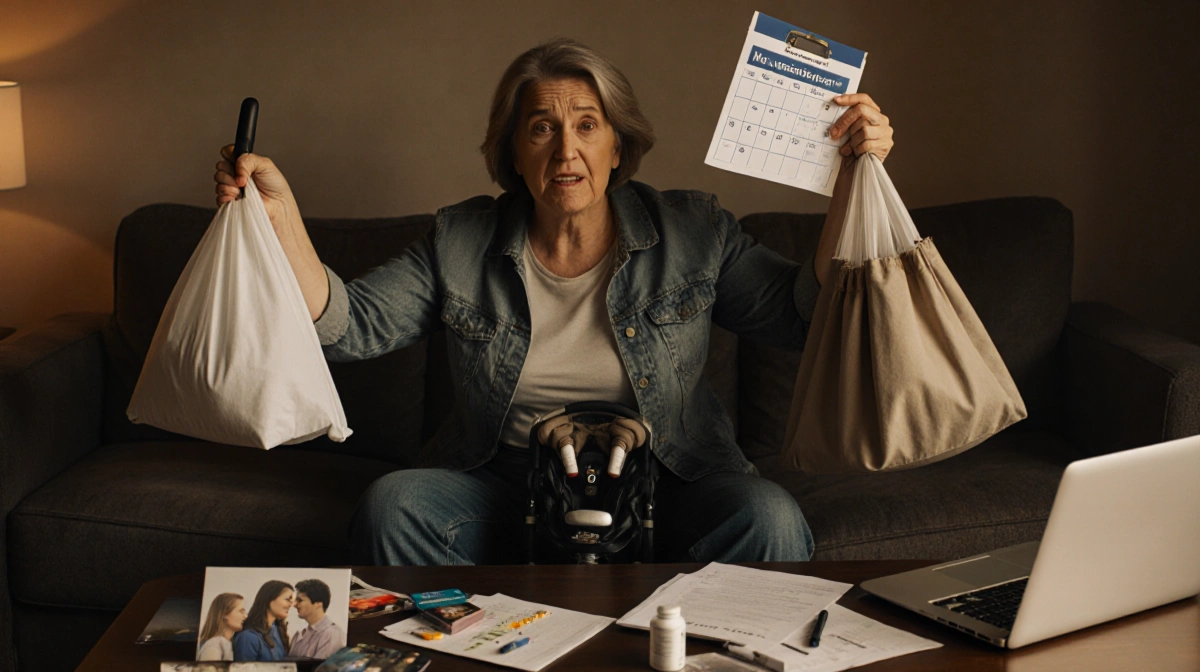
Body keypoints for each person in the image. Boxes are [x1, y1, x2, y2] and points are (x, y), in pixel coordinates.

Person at [212, 38, 895, 565]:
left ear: (618, 144)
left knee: (769, 519)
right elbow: (347, 325)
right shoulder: (461, 238)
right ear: (513, 150)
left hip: (668, 475)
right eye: (541, 127)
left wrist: (852, 181)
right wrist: (280, 217)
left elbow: (806, 318)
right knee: (393, 507)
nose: (566, 150)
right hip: (507, 479)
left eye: (587, 126)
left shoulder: (695, 230)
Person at [231, 580, 293, 661]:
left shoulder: (278, 632)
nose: (291, 604)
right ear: (270, 598)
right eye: (287, 599)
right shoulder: (247, 637)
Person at [288, 578, 345, 660]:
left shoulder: (331, 633)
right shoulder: (298, 635)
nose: (294, 604)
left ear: (318, 604)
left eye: (300, 600)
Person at [196, 592, 246, 661]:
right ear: (224, 613)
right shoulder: (214, 644)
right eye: (241, 611)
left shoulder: (232, 645)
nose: (245, 616)